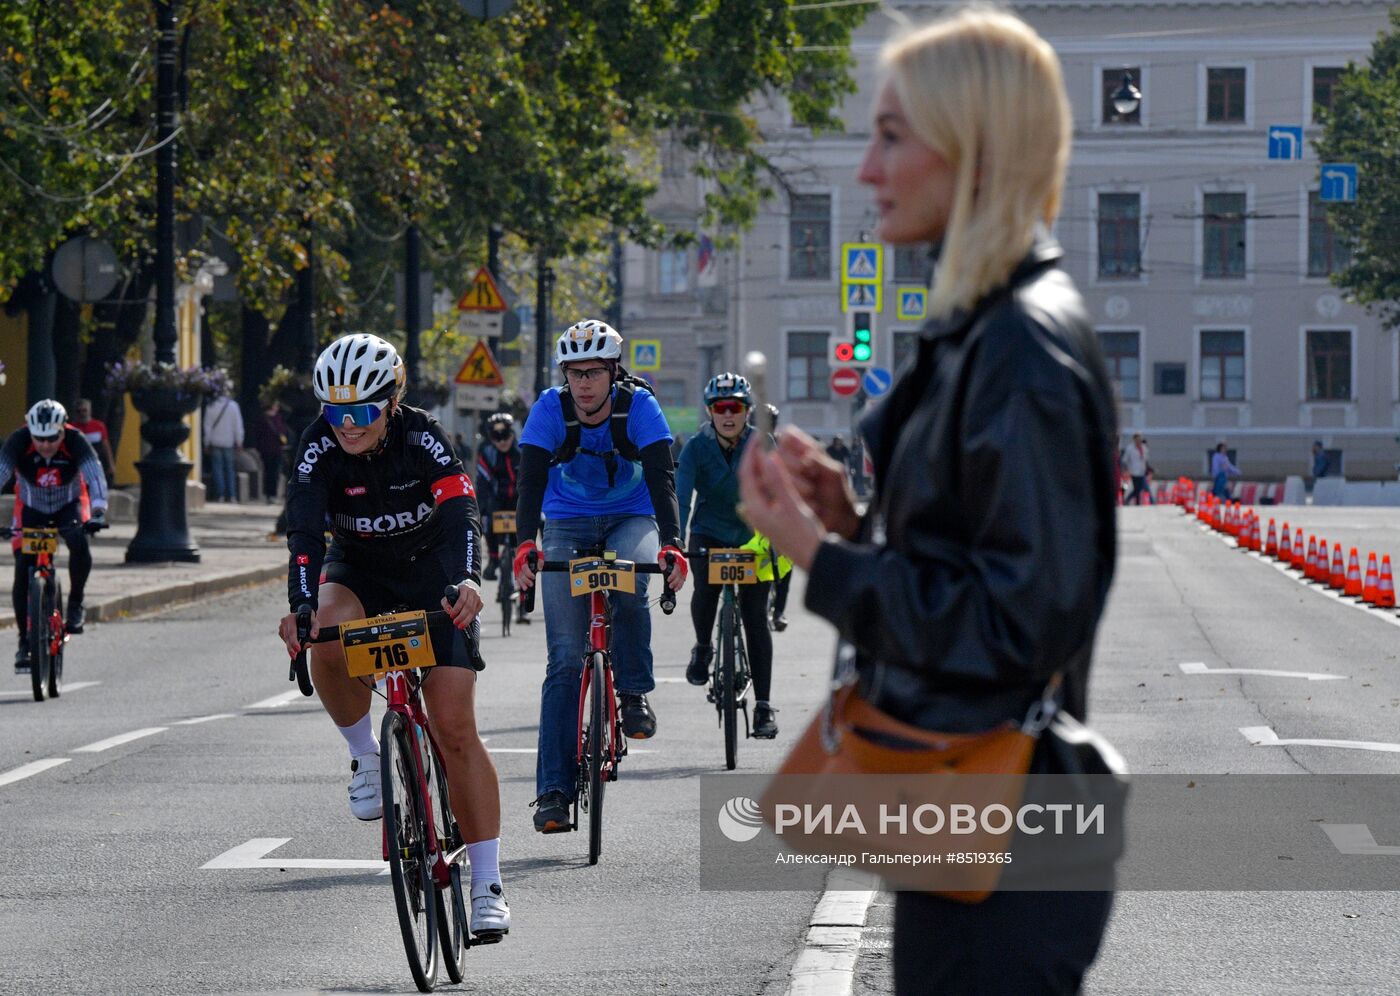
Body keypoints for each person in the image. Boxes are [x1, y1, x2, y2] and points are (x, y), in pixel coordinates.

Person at [738, 9, 1120, 991]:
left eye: (891, 135)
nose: (866, 168)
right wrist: (854, 523)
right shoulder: (989, 332)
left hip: (1005, 838)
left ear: (973, 152)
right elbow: (981, 563)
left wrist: (820, 561)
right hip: (969, 819)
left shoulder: (1018, 350)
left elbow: (1013, 624)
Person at [275, 333, 509, 938]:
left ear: (391, 402)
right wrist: (300, 605)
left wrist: (466, 579)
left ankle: (487, 884)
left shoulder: (423, 434)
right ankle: (363, 755)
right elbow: (304, 532)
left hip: (433, 570)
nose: (346, 425)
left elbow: (462, 512)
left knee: (456, 728)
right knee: (323, 628)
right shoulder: (317, 446)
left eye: (360, 412)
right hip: (363, 572)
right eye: (334, 411)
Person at [511, 319, 689, 834]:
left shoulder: (640, 407)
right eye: (574, 372)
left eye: (593, 372)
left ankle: (633, 691)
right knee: (564, 660)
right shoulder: (550, 408)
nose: (583, 383)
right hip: (565, 520)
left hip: (630, 516)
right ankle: (552, 793)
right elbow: (529, 480)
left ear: (613, 371)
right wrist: (527, 543)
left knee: (630, 586)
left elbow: (662, 479)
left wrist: (672, 545)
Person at [676, 373, 779, 738]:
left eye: (735, 406)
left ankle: (764, 707)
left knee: (755, 617)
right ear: (710, 411)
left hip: (751, 535)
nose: (727, 414)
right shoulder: (694, 447)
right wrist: (674, 540)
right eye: (720, 407)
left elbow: (777, 491)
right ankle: (703, 647)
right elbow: (682, 495)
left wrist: (777, 533)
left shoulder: (762, 443)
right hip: (708, 531)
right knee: (705, 590)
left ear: (747, 411)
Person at [0, 400, 109, 668]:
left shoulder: (76, 440)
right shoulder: (17, 442)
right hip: (31, 506)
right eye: (39, 439)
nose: (46, 445)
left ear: (63, 430)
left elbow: (95, 476)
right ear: (30, 431)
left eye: (52, 438)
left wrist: (98, 512)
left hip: (68, 504)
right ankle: (25, 642)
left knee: (78, 541)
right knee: (22, 567)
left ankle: (75, 604)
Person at [476, 413, 523, 594]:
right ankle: (494, 559)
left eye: (506, 436)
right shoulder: (487, 454)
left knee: (536, 521)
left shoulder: (522, 451)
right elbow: (482, 484)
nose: (502, 441)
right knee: (486, 519)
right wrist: (481, 509)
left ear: (512, 434)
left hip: (518, 500)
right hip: (496, 500)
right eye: (497, 437)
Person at [763, 404, 793, 632]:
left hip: (779, 510)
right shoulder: (746, 442)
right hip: (755, 513)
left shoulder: (783, 444)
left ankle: (779, 611)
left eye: (770, 422)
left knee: (785, 563)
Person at [203, 390, 245, 502]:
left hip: (215, 442)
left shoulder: (210, 406)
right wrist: (239, 441)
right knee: (230, 469)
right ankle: (232, 495)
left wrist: (206, 443)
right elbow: (238, 425)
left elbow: (207, 427)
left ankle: (220, 495)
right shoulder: (233, 406)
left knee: (217, 469)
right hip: (229, 442)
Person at [251, 402, 290, 504]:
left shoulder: (266, 418)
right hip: (273, 449)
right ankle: (271, 494)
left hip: (269, 450)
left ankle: (270, 494)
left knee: (270, 472)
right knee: (272, 472)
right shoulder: (271, 418)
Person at [71, 398, 117, 485]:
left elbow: (106, 446)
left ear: (89, 411)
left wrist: (111, 464)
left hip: (97, 462)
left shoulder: (99, 426)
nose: (82, 414)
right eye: (79, 411)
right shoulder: (72, 428)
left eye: (84, 410)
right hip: (79, 464)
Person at [1121, 432, 1149, 505]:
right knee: (1138, 488)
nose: (1139, 440)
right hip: (1134, 471)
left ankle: (1136, 503)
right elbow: (1125, 460)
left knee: (1139, 489)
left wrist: (1146, 469)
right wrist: (1128, 468)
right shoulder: (1130, 448)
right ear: (1134, 439)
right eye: (1137, 439)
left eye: (1140, 439)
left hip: (1142, 471)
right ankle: (1129, 500)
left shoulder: (1143, 447)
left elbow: (1145, 459)